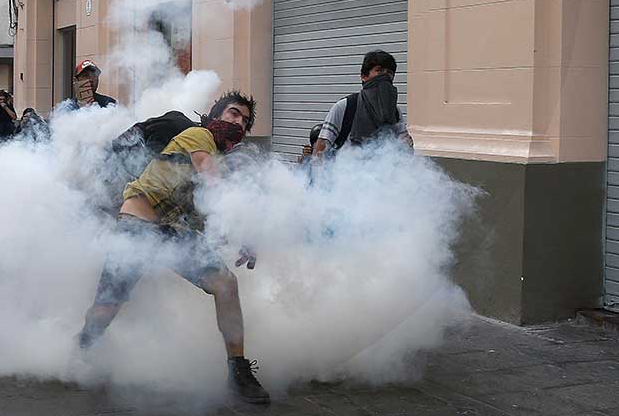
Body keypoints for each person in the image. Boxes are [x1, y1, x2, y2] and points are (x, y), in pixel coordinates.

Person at [77, 91, 270, 405]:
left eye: (245, 121)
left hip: (173, 231)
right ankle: (82, 349)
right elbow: (213, 185)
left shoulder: (221, 158)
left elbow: (206, 209)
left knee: (226, 285)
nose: (239, 123)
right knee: (107, 306)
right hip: (137, 226)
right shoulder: (199, 135)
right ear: (215, 115)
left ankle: (238, 370)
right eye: (233, 114)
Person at [312, 50, 413, 160]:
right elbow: (321, 147)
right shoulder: (346, 106)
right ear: (364, 76)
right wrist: (320, 174)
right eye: (379, 71)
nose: (385, 76)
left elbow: (404, 144)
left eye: (389, 72)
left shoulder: (395, 112)